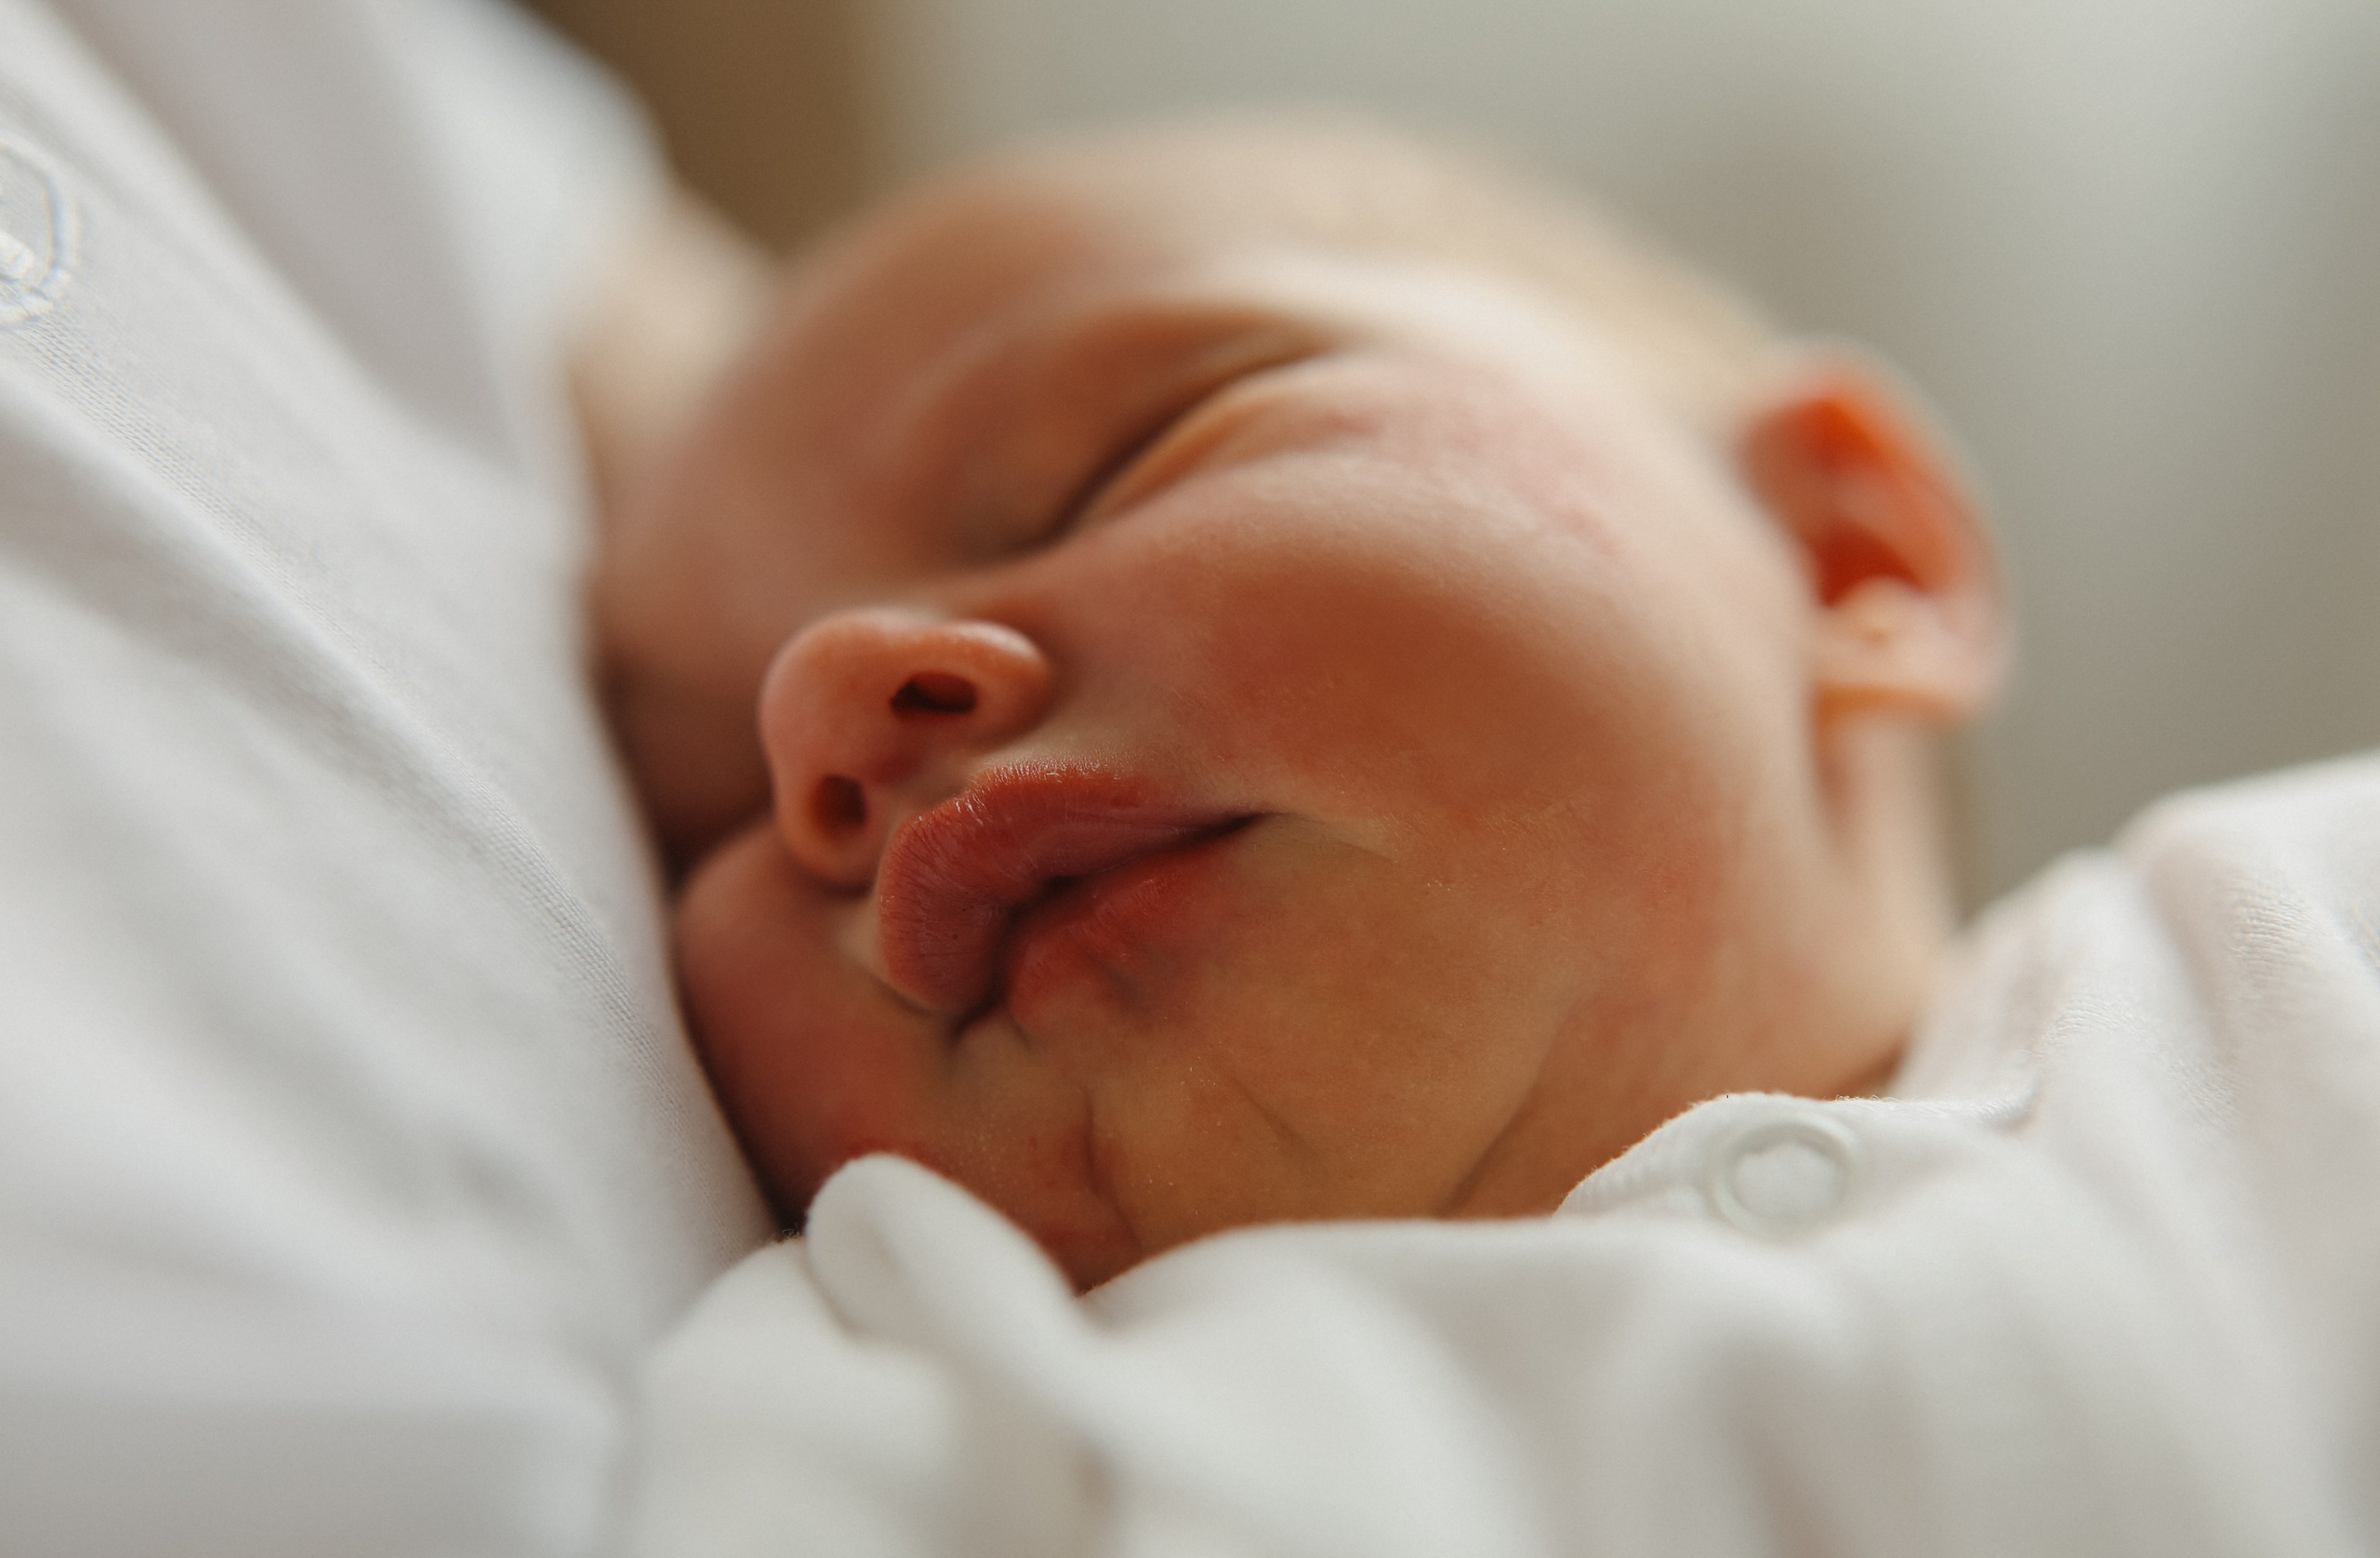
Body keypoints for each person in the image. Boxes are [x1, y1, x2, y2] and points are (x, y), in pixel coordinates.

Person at [591, 117, 2009, 1292]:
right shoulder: (880, 1426)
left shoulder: (2220, 991)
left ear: (1840, 554)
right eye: (706, 809)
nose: (821, 701)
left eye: (1115, 461)